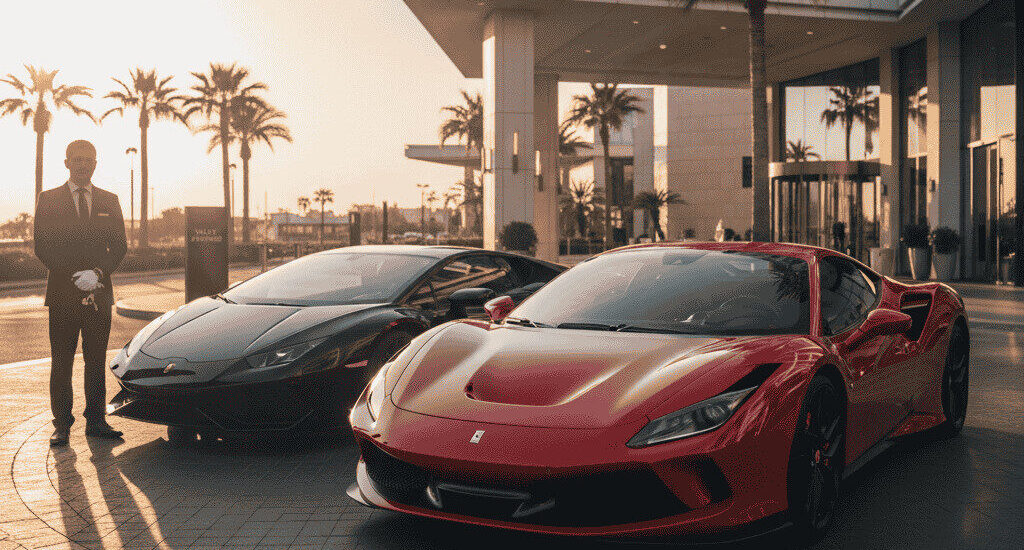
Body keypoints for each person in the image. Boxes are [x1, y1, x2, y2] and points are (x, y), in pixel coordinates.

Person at [34, 140, 127, 446]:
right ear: (66, 162)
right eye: (77, 159)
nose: (82, 164)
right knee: (61, 361)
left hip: (99, 295)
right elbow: (42, 246)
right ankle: (61, 424)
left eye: (88, 159)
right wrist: (75, 277)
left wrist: (98, 274)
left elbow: (120, 246)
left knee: (96, 359)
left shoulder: (109, 200)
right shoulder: (48, 200)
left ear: (96, 163)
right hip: (62, 294)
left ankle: (97, 421)